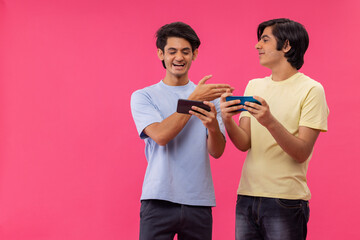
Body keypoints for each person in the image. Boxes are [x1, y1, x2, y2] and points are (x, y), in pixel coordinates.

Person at [220, 18, 329, 240]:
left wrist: (269, 121)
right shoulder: (254, 85)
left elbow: (301, 152)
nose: (257, 46)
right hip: (247, 197)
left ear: (286, 45)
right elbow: (244, 143)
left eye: (265, 40)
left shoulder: (311, 90)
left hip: (285, 200)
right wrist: (226, 118)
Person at [131, 22, 233, 240]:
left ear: (194, 54)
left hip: (199, 201)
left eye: (186, 51)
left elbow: (217, 151)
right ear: (160, 54)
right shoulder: (143, 96)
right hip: (158, 199)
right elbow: (160, 136)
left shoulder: (210, 97)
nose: (179, 57)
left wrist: (213, 126)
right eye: (172, 51)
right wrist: (193, 100)